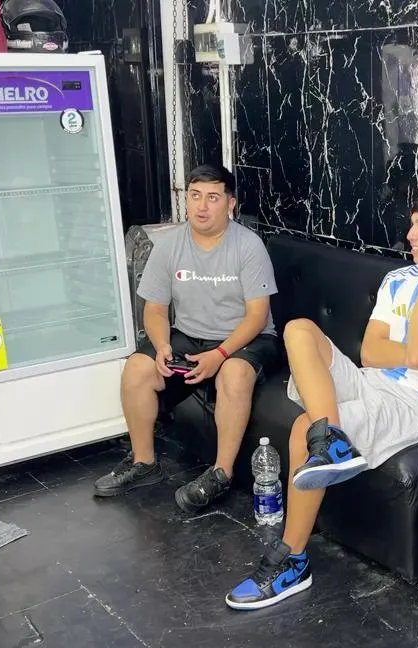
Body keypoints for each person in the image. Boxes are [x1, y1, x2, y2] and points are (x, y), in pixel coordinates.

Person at [224, 188, 418, 610]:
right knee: (298, 329)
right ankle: (331, 439)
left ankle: (292, 560)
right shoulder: (397, 279)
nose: (409, 235)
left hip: (417, 403)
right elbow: (371, 353)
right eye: (412, 223)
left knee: (303, 428)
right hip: (371, 380)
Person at [93, 164, 280, 513]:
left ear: (230, 204)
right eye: (195, 196)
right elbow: (155, 309)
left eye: (212, 198)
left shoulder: (248, 246)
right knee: (137, 368)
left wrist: (220, 354)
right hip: (189, 334)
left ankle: (221, 473)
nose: (201, 206)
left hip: (246, 338)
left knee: (234, 372)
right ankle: (144, 462)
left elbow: (257, 316)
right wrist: (162, 345)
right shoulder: (170, 245)